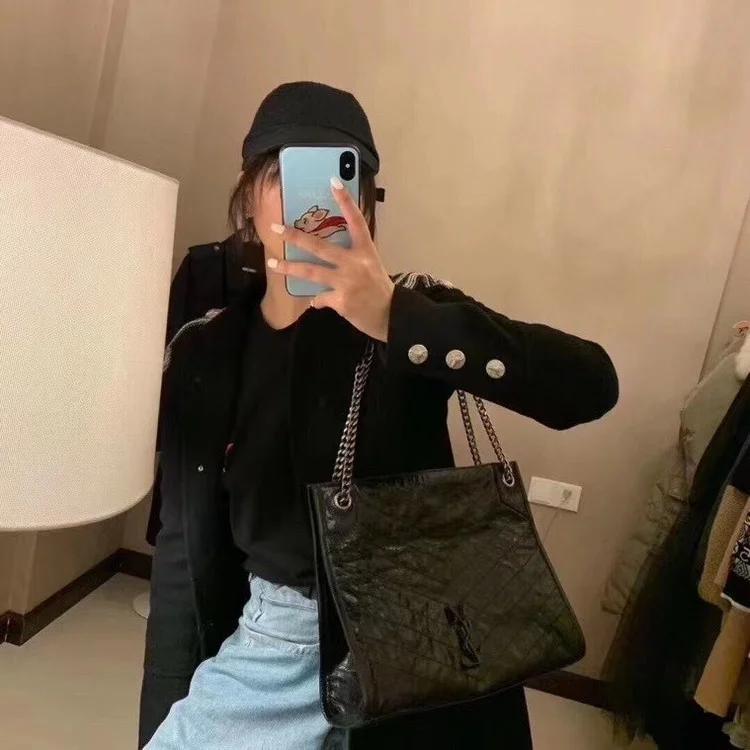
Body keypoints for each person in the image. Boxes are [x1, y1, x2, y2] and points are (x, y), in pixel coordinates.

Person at [140, 81, 619, 750]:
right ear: (247, 199)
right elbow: (180, 556)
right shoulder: (205, 349)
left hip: (416, 643)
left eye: (344, 178)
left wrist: (397, 319)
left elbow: (592, 385)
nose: (317, 203)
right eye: (287, 175)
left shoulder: (412, 316)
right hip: (271, 643)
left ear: (365, 205)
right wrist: (163, 712)